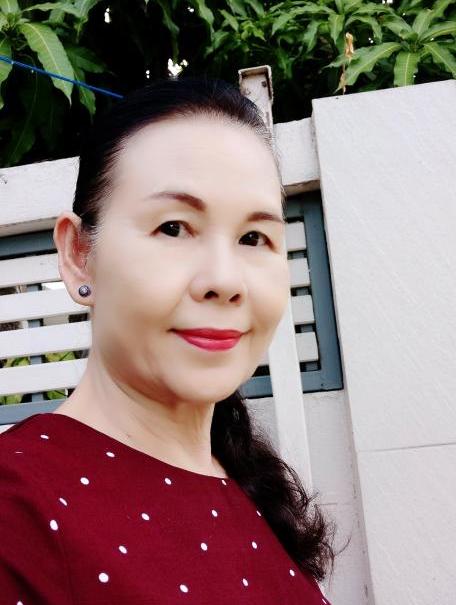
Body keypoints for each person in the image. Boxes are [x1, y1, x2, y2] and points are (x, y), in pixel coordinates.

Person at [0, 75, 341, 604]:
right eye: (174, 228)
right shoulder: (16, 506)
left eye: (254, 237)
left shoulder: (251, 488)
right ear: (79, 255)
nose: (223, 280)